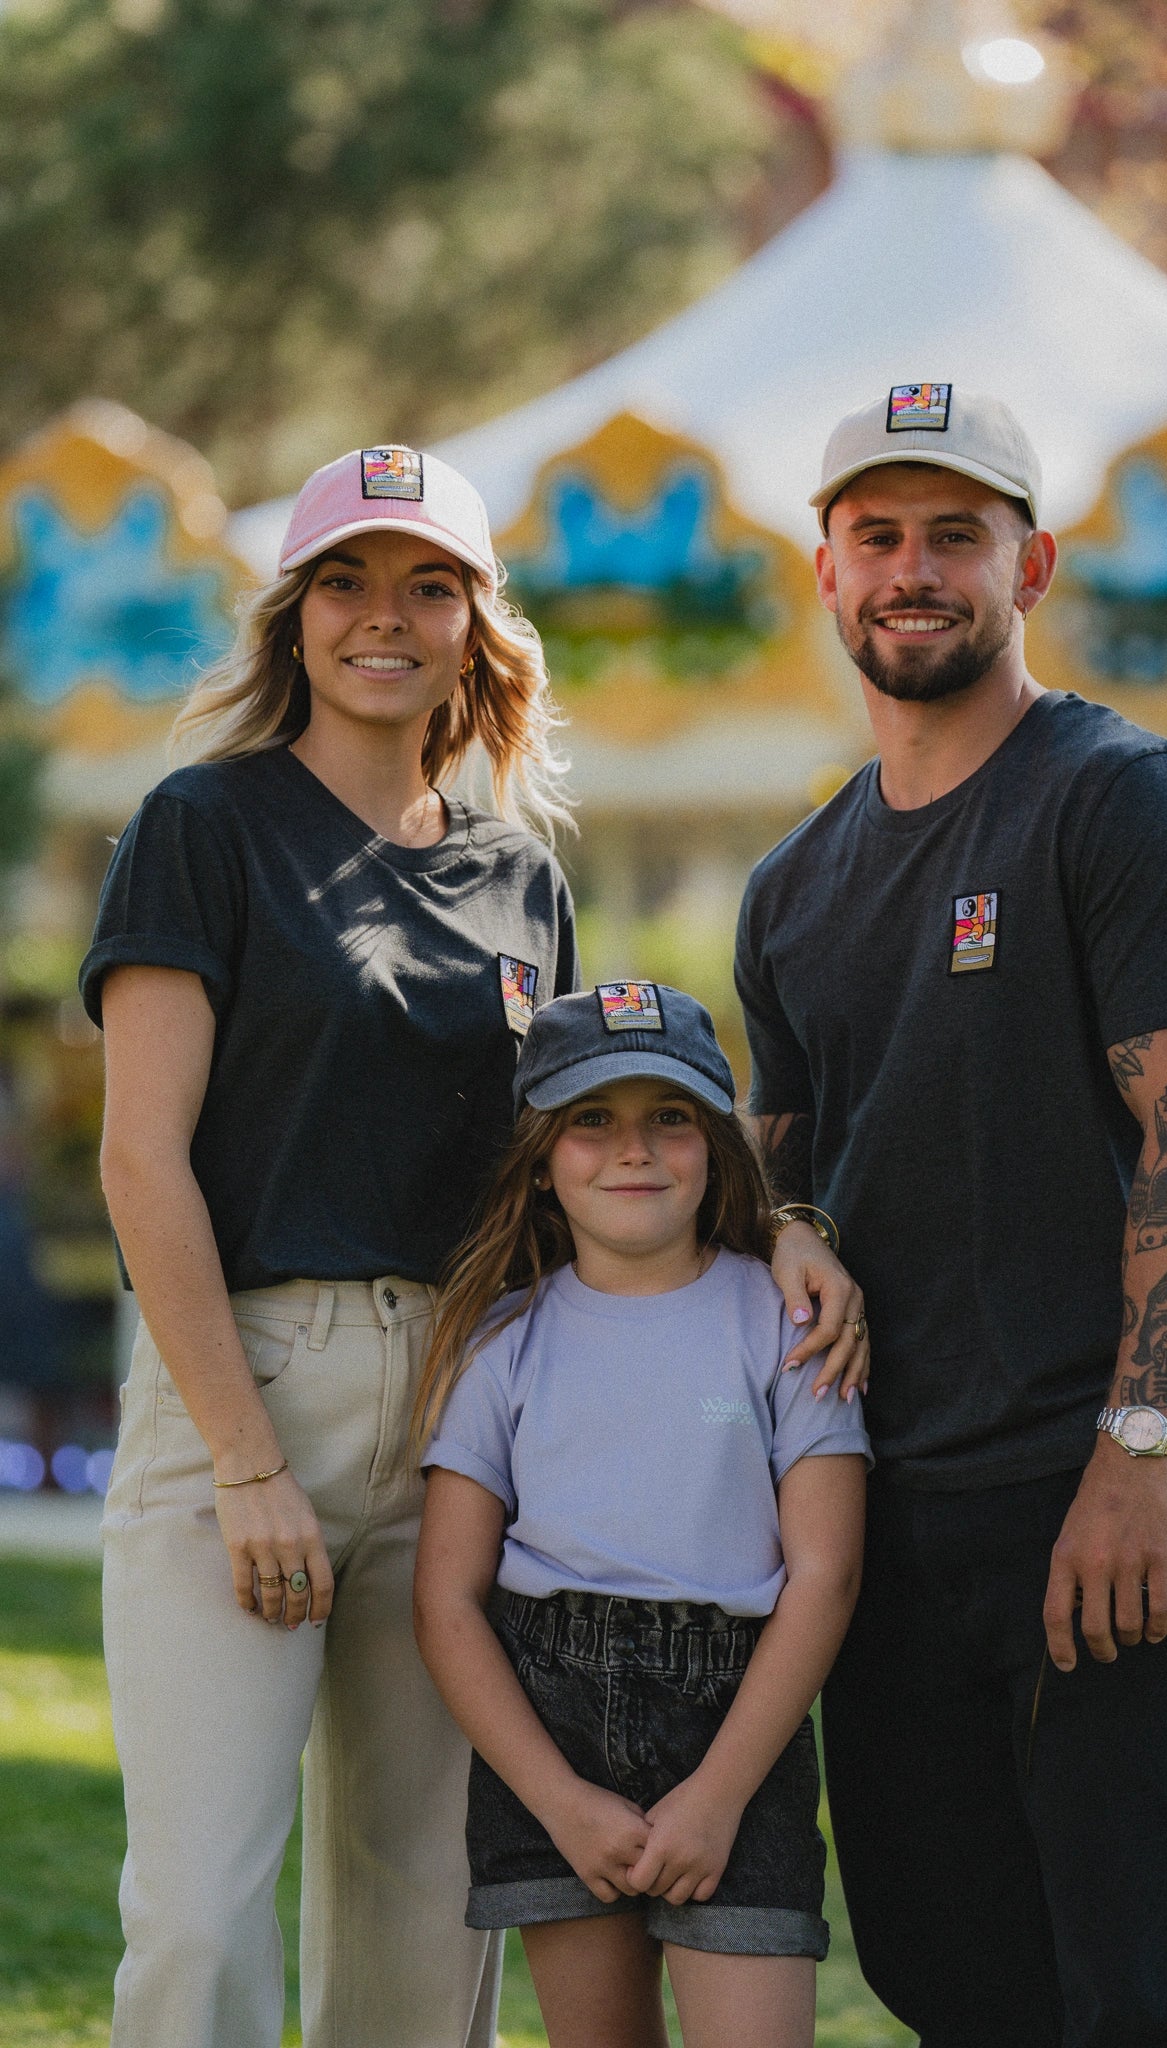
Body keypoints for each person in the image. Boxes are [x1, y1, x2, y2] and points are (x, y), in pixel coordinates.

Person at [81, 444, 859, 2048]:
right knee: (198, 1911)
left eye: (428, 584)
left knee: (426, 1916)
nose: (388, 616)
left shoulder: (519, 879)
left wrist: (780, 1230)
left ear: (474, 624)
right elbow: (141, 1159)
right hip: (251, 1379)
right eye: (348, 583)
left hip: (469, 1403)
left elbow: (590, 1146)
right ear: (294, 619)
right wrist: (243, 1462)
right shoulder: (201, 827)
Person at [734, 386, 1167, 2046]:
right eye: (878, 534)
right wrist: (787, 1222)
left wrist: (1135, 1455)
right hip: (891, 1530)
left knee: (1140, 2004)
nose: (916, 569)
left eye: (954, 534)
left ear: (1028, 561)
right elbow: (780, 1162)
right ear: (825, 572)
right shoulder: (792, 884)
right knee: (949, 1986)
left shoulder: (1123, 803)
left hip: (1100, 1506)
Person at [411, 984, 870, 2048]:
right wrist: (560, 1799)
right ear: (539, 1156)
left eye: (668, 1115)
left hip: (737, 1726)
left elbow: (827, 1573)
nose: (634, 1149)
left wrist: (717, 1794)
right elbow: (445, 1598)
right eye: (592, 1119)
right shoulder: (501, 1344)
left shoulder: (790, 1321)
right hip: (550, 1728)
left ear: (715, 1141)